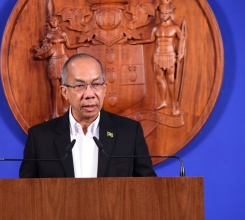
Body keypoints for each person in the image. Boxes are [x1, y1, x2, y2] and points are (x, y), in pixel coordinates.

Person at [19, 53, 156, 178]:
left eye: (96, 84)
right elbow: (27, 195)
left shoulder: (129, 133)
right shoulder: (40, 138)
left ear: (104, 88)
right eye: (79, 86)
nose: (89, 94)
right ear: (64, 92)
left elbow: (148, 189)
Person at [128, 2, 184, 115]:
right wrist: (136, 42)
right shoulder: (156, 28)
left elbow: (182, 40)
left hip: (170, 55)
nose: (163, 16)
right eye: (161, 13)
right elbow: (150, 40)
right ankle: (163, 101)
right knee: (159, 79)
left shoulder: (175, 28)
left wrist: (181, 53)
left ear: (170, 13)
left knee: (171, 80)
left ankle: (174, 105)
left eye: (165, 13)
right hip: (157, 55)